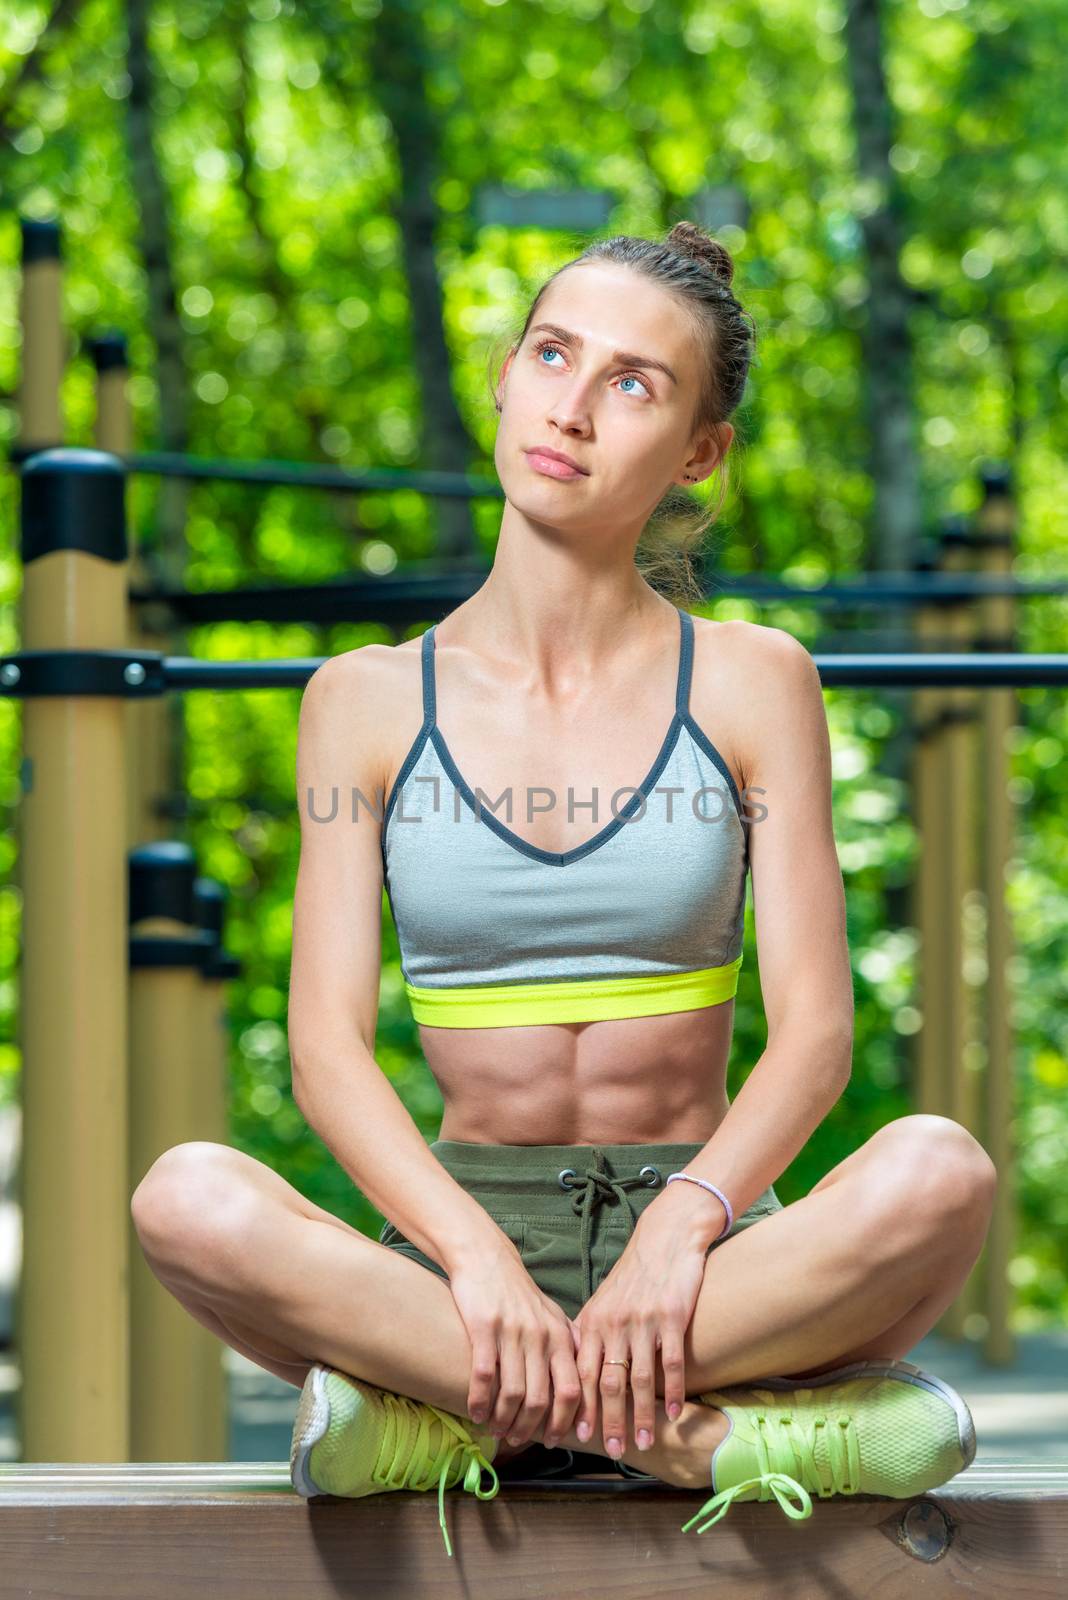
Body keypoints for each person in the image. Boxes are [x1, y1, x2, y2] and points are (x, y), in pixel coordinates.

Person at [131, 222, 996, 1560]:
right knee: (185, 1197)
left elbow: (817, 1036)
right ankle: (707, 1435)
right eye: (552, 353)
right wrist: (474, 1260)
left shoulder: (755, 679)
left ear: (699, 451)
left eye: (635, 383)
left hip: (708, 1256)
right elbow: (324, 1046)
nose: (573, 408)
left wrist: (676, 1236)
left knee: (941, 1172)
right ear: (506, 373)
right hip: (457, 1249)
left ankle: (458, 1425)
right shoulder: (360, 701)